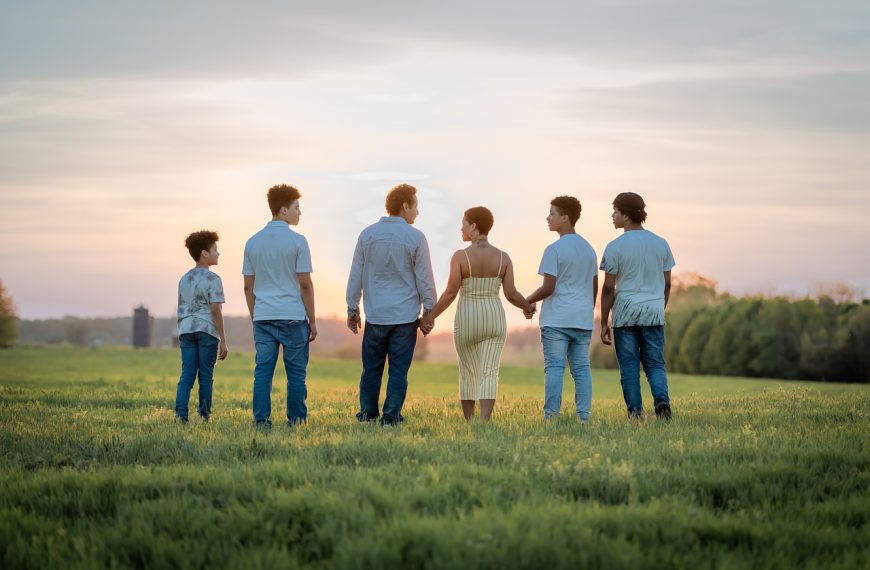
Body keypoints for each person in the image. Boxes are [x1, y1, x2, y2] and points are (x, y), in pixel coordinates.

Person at [422, 207, 535, 421]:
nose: (461, 227)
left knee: (468, 371)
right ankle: (484, 421)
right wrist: (527, 307)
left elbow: (450, 293)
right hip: (494, 318)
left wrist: (430, 317)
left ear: (473, 226)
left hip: (467, 319)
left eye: (463, 223)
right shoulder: (503, 258)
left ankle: (470, 422)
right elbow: (511, 294)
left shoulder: (460, 256)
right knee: (489, 371)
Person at [346, 183, 437, 425]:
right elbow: (425, 279)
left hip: (375, 315)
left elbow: (356, 274)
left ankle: (367, 413)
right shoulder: (416, 237)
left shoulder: (367, 234)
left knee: (371, 369)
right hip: (405, 318)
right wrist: (430, 311)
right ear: (405, 205)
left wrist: (352, 308)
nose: (417, 212)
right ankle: (391, 416)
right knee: (398, 370)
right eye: (416, 206)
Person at [243, 184, 316, 428]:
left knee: (263, 372)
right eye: (297, 208)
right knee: (296, 374)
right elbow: (305, 284)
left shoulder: (252, 242)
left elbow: (247, 286)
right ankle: (296, 421)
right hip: (293, 317)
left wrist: (255, 316)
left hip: (263, 317)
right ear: (283, 210)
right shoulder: (298, 241)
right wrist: (312, 321)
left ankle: (261, 421)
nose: (300, 213)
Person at [599, 192, 675, 419]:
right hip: (653, 311)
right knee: (655, 364)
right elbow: (668, 284)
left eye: (615, 211)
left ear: (626, 215)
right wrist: (660, 308)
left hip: (625, 313)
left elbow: (607, 289)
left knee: (630, 368)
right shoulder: (661, 244)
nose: (612, 216)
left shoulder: (614, 247)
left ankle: (635, 413)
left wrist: (604, 322)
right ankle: (662, 401)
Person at [525, 196, 598, 422]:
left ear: (565, 218)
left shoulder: (553, 249)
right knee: (581, 369)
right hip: (582, 318)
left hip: (556, 319)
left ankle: (552, 417)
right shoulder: (589, 249)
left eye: (552, 213)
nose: (548, 218)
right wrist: (586, 310)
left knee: (555, 368)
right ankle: (584, 417)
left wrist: (528, 300)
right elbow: (594, 287)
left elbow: (548, 287)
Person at [174, 230, 228, 423]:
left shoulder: (184, 279)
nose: (218, 253)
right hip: (207, 330)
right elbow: (215, 310)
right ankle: (204, 415)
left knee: (187, 373)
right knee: (205, 375)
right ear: (204, 253)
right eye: (215, 249)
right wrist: (223, 339)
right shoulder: (213, 279)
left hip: (186, 330)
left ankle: (181, 414)